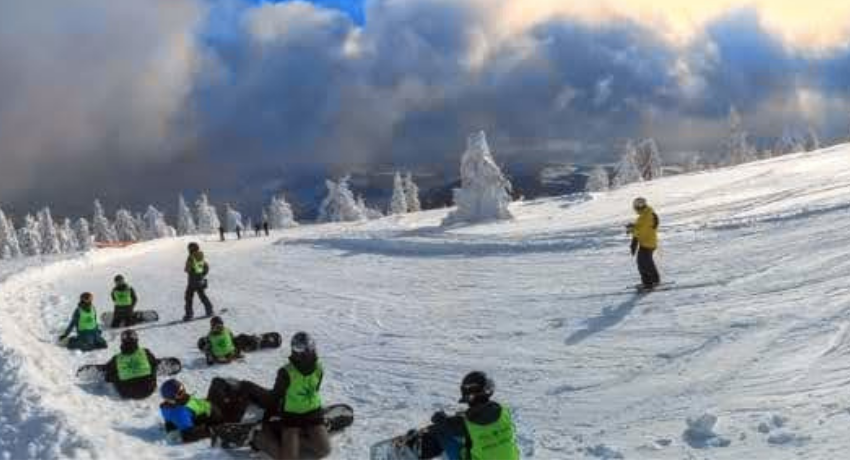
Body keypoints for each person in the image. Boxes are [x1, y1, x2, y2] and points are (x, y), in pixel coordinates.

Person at [251, 332, 331, 459]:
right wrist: (267, 419)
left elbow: (315, 389)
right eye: (298, 349)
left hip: (313, 414)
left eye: (305, 348)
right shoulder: (286, 372)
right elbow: (276, 397)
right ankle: (259, 438)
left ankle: (296, 439)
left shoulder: (319, 369)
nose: (303, 353)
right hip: (291, 418)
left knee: (324, 450)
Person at [422, 371, 520, 460]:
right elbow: (485, 419)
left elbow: (447, 425)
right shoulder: (504, 411)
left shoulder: (467, 423)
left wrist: (440, 418)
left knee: (442, 434)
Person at [104, 329, 158, 399]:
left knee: (113, 371)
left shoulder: (116, 358)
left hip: (126, 392)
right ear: (136, 340)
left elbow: (108, 378)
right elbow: (155, 365)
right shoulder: (145, 352)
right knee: (152, 364)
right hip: (148, 389)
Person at [626, 197, 660, 289]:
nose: (635, 209)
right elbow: (641, 227)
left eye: (635, 207)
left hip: (647, 243)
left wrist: (632, 229)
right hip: (648, 242)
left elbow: (641, 231)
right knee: (647, 262)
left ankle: (648, 283)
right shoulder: (646, 214)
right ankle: (654, 280)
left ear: (639, 206)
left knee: (642, 263)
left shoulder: (646, 216)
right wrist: (633, 226)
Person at [184, 242, 214, 321]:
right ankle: (209, 310)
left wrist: (189, 268)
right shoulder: (201, 256)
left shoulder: (191, 257)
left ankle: (189, 315)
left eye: (189, 248)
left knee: (188, 297)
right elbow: (206, 267)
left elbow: (187, 269)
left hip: (192, 281)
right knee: (202, 296)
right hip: (200, 280)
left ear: (191, 249)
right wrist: (202, 275)